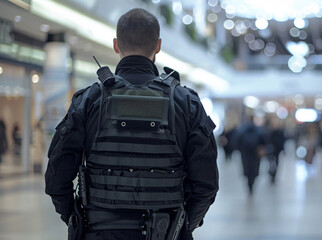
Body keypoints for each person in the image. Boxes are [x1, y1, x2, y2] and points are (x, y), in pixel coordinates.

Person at [45, 8, 219, 240]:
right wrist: (183, 227)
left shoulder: (89, 100)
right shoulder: (186, 102)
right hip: (167, 232)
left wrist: (78, 220)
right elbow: (206, 185)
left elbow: (57, 177)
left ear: (116, 45)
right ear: (157, 45)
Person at [236, 115, 267, 196]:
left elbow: (237, 142)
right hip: (255, 154)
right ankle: (251, 185)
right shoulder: (259, 130)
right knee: (254, 170)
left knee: (247, 170)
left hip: (245, 154)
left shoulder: (242, 131)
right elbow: (264, 141)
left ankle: (249, 185)